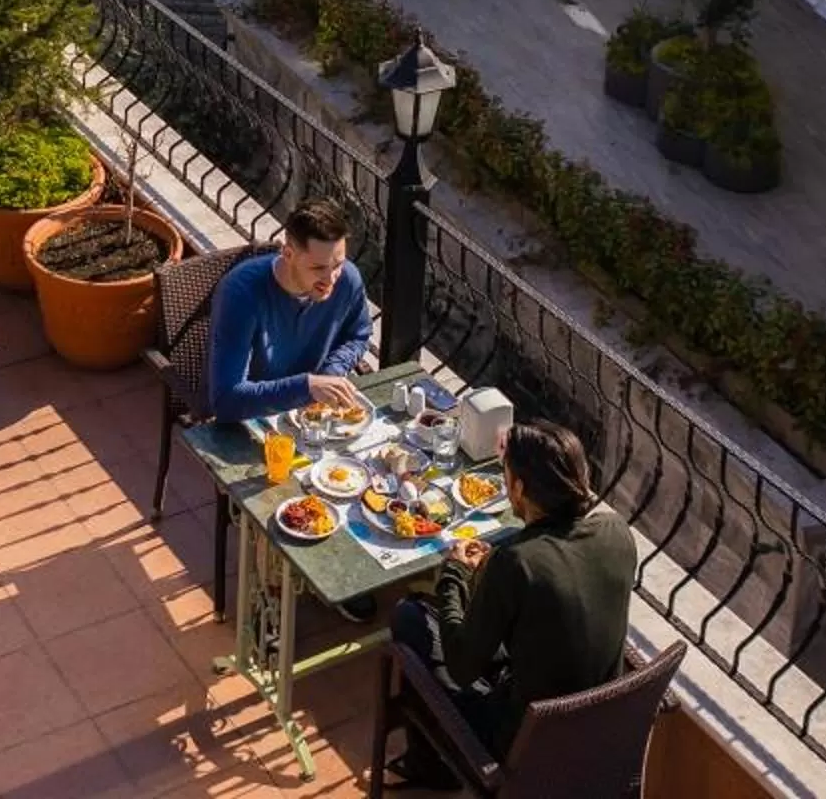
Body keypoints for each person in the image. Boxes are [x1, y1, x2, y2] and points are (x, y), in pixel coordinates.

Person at [384, 420, 635, 789]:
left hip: (527, 744)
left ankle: (433, 768)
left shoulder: (518, 563)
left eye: (506, 477)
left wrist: (453, 574)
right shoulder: (618, 533)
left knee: (410, 617)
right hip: (599, 731)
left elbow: (461, 665)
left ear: (518, 487)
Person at [204, 197, 374, 423]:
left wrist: (331, 372)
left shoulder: (348, 279)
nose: (331, 278)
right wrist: (307, 387)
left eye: (338, 264)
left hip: (313, 415)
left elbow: (358, 335)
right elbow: (226, 401)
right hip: (253, 417)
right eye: (318, 268)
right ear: (288, 254)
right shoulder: (240, 294)